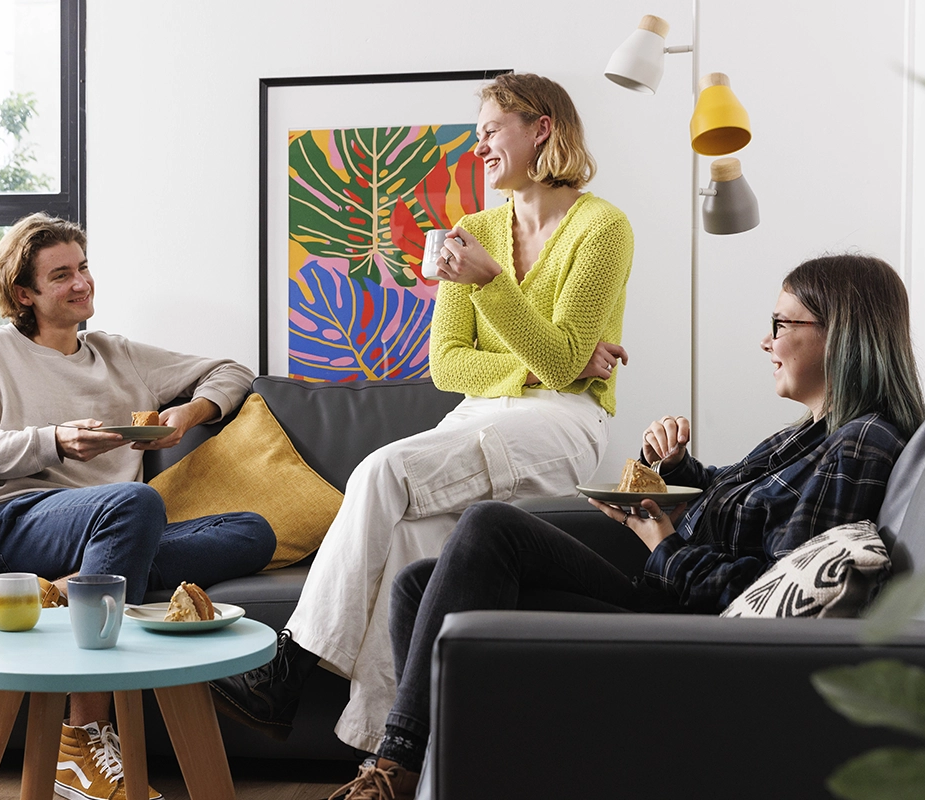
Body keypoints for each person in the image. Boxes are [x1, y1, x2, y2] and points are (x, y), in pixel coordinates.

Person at [325, 253, 925, 799]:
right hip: (664, 596)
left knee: (491, 526)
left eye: (781, 325)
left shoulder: (860, 445)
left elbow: (770, 588)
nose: (765, 342)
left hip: (686, 632)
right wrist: (675, 467)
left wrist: (662, 543)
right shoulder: (811, 432)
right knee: (417, 583)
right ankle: (438, 773)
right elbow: (735, 499)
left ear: (841, 335)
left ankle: (398, 764)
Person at [211, 72, 635, 753]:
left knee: (382, 471)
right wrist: (535, 357)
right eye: (477, 136)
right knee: (410, 546)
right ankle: (388, 757)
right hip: (477, 412)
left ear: (542, 128)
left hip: (561, 420)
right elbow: (448, 365)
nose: (481, 146)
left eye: (492, 130)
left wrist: (492, 287)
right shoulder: (472, 229)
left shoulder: (602, 226)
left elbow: (562, 371)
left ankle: (285, 667)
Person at [0, 212, 276, 800]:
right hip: (18, 518)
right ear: (23, 293)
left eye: (83, 267)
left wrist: (189, 414)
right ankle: (83, 738)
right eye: (61, 274)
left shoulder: (119, 355)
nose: (81, 282)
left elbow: (230, 369)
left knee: (254, 531)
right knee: (135, 505)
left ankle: (71, 588)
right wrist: (53, 440)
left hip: (113, 525)